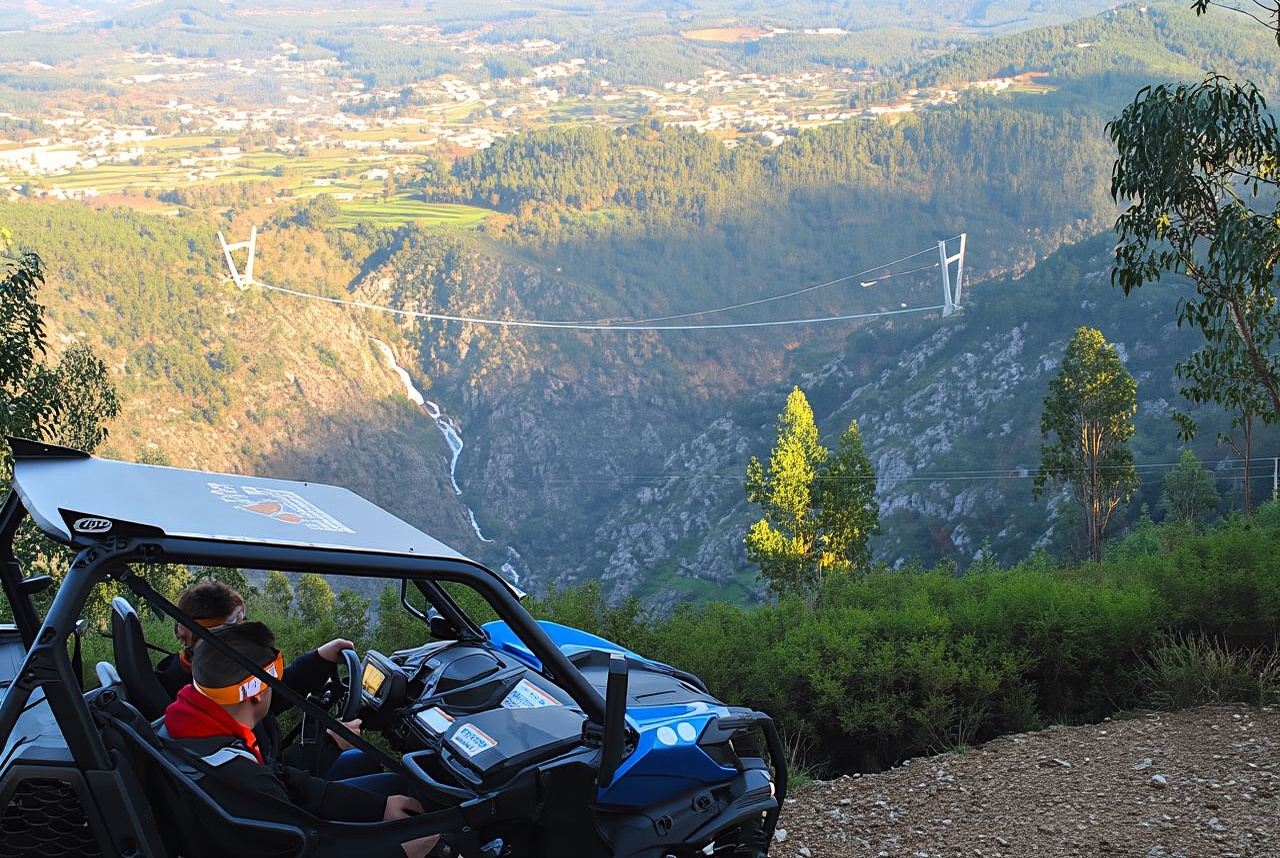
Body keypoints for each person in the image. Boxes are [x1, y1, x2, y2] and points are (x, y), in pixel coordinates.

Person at [163, 621, 443, 858]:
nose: (277, 686)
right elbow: (305, 848)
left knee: (391, 794)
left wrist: (378, 808)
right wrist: (398, 850)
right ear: (257, 693)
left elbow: (283, 777)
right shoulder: (237, 776)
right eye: (274, 680)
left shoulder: (188, 724)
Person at [156, 578, 376, 778]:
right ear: (207, 634)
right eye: (236, 624)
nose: (245, 632)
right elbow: (267, 779)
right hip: (280, 787)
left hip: (278, 774)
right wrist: (330, 744)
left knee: (365, 761)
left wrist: (319, 660)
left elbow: (272, 695)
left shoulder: (197, 681)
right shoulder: (199, 690)